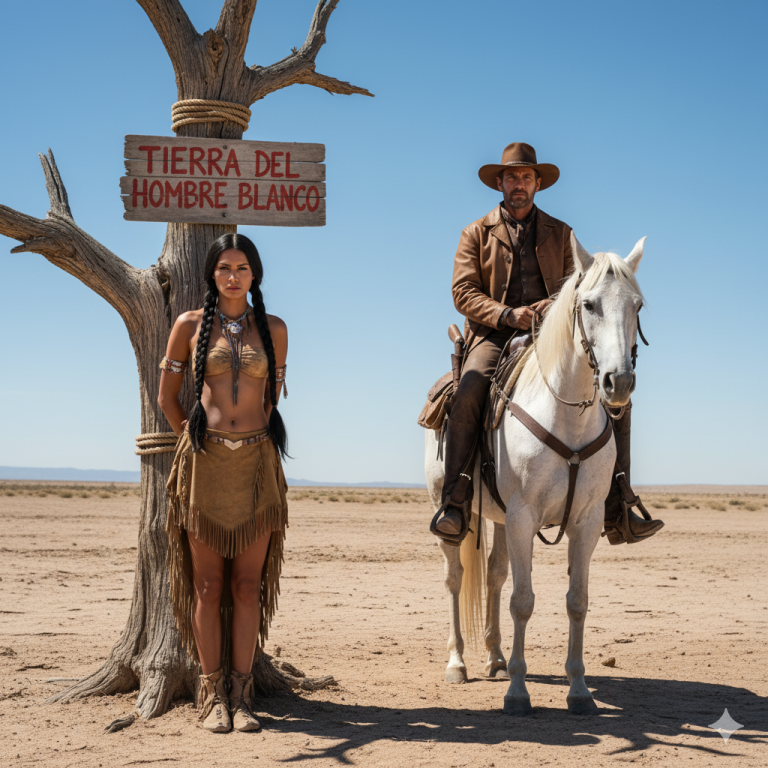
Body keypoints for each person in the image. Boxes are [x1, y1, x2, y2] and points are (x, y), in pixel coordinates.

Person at [431, 142, 663, 545]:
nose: (518, 184)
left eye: (526, 177)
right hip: (494, 334)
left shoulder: (562, 233)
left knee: (616, 398)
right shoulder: (475, 233)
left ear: (537, 184)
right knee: (469, 388)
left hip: (549, 336)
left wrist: (549, 308)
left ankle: (618, 503)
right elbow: (463, 292)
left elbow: (580, 291)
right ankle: (456, 497)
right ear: (499, 183)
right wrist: (508, 315)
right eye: (511, 177)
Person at [158, 233, 289, 733]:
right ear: (212, 276)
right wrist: (192, 444)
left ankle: (242, 693)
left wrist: (251, 439)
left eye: (241, 268)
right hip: (205, 468)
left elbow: (272, 398)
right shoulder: (189, 325)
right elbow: (168, 397)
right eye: (224, 269)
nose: (233, 276)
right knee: (208, 586)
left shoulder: (273, 328)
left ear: (254, 275)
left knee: (247, 586)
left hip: (257, 468)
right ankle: (213, 696)